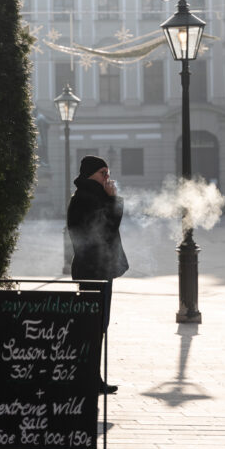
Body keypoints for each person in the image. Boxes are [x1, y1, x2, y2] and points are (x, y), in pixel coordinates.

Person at [67, 155, 129, 393]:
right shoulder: (88, 197)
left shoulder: (90, 196)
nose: (107, 178)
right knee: (94, 325)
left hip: (95, 267)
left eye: (108, 174)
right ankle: (88, 377)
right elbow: (108, 229)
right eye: (103, 173)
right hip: (94, 269)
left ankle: (91, 376)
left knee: (96, 325)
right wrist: (114, 200)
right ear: (91, 174)